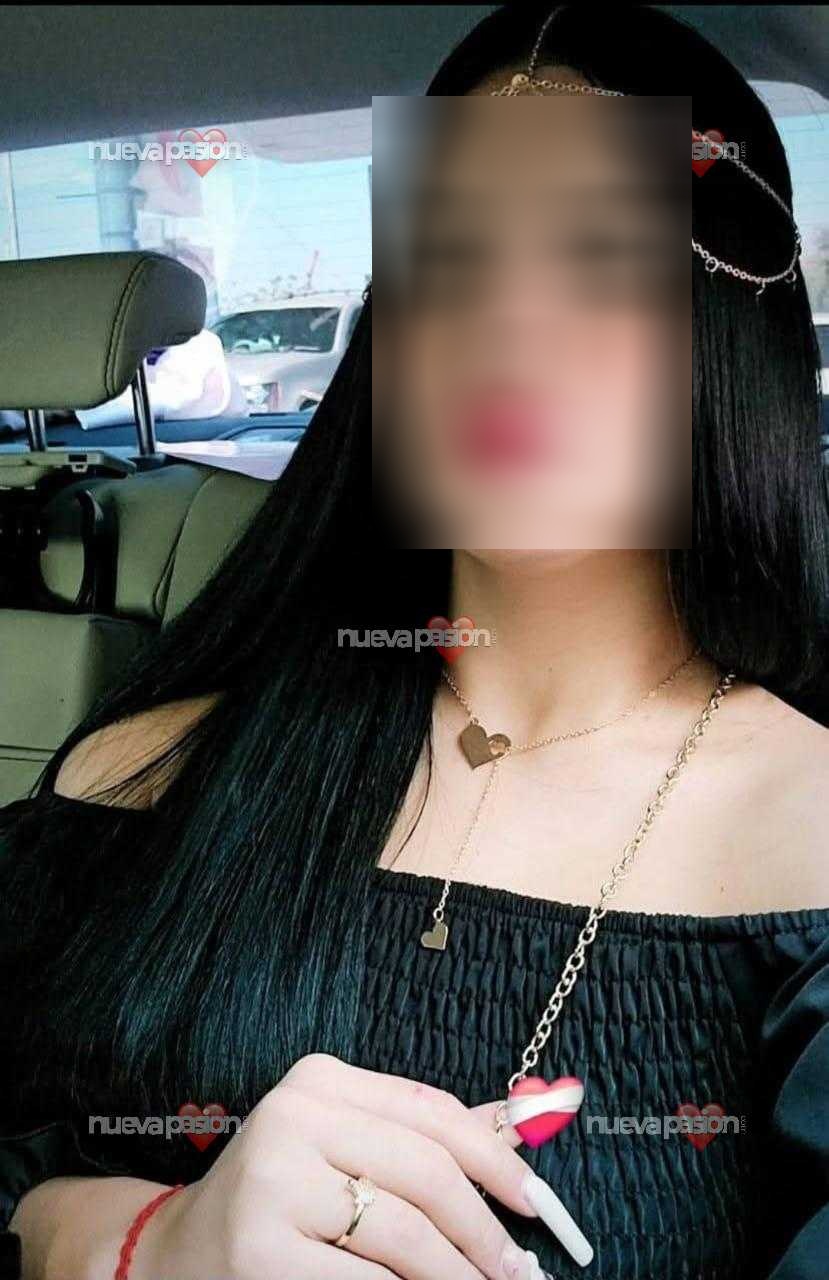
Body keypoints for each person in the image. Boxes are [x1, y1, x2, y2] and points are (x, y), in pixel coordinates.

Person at [1, 6, 828, 1279]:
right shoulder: (144, 776)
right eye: (450, 252)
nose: (508, 320)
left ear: (726, 322)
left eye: (597, 251)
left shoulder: (805, 842)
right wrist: (138, 1239)